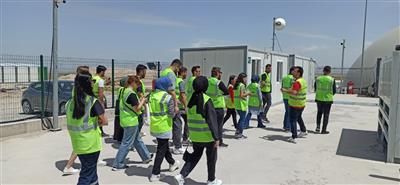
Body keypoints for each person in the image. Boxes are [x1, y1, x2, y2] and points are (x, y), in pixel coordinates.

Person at [174, 76, 222, 185]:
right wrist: (216, 137)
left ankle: (181, 175)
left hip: (195, 136)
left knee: (194, 157)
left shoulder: (190, 99)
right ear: (206, 86)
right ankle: (211, 180)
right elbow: (212, 121)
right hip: (208, 136)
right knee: (211, 159)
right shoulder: (207, 100)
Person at [66, 71, 108, 185]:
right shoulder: (92, 101)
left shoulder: (70, 103)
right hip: (91, 145)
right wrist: (96, 123)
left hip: (78, 144)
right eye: (91, 82)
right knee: (86, 174)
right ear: (87, 84)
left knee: (91, 172)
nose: (93, 84)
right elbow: (105, 121)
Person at [112, 75, 153, 171]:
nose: (138, 86)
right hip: (131, 121)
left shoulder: (122, 91)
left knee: (137, 139)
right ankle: (118, 163)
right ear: (133, 83)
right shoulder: (131, 94)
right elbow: (137, 108)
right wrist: (143, 100)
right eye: (137, 84)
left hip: (125, 119)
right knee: (126, 143)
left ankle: (146, 157)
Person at [149, 77, 181, 182]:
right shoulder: (168, 97)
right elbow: (171, 114)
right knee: (161, 150)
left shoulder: (152, 95)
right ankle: (155, 173)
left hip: (155, 125)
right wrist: (176, 109)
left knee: (164, 146)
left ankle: (172, 162)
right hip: (164, 126)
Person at [281, 66, 308, 143]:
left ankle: (294, 136)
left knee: (292, 120)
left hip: (295, 104)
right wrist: (288, 90)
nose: (293, 72)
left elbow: (294, 92)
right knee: (299, 117)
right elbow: (295, 90)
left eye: (295, 71)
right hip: (301, 104)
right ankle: (303, 130)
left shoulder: (297, 82)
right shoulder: (303, 81)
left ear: (299, 73)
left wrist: (285, 90)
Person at [206, 67, 229, 147]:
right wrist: (220, 94)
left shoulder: (207, 81)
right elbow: (227, 92)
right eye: (220, 73)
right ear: (218, 73)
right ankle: (219, 141)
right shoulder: (218, 82)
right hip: (218, 107)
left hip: (209, 106)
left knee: (210, 124)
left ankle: (210, 140)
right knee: (219, 125)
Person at [314, 66, 336, 134]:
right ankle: (324, 130)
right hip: (327, 99)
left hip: (319, 99)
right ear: (329, 71)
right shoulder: (331, 79)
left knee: (319, 113)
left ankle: (317, 128)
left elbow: (315, 87)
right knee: (326, 115)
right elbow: (334, 90)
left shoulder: (318, 78)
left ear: (323, 71)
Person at [172, 67, 188, 154]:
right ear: (183, 73)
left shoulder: (174, 80)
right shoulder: (181, 82)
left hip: (174, 105)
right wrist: (186, 107)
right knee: (179, 125)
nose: (186, 74)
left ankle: (176, 142)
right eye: (186, 72)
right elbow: (182, 95)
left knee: (175, 125)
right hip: (179, 106)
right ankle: (180, 143)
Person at [183, 66, 201, 143]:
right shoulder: (195, 80)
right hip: (194, 103)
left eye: (199, 71)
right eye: (197, 71)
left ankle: (187, 137)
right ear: (194, 72)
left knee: (189, 121)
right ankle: (186, 138)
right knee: (190, 121)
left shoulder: (190, 80)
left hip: (190, 102)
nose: (199, 73)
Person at [234, 73, 251, 139]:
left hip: (237, 104)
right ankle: (239, 134)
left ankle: (237, 132)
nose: (246, 79)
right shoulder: (242, 86)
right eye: (246, 78)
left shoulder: (237, 85)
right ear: (243, 78)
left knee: (241, 119)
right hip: (241, 104)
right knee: (242, 120)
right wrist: (248, 93)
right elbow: (241, 95)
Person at [93, 65, 108, 137]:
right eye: (104, 72)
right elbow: (100, 93)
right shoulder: (100, 80)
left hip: (91, 99)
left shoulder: (92, 78)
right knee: (100, 116)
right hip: (97, 100)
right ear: (102, 72)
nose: (104, 73)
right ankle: (101, 132)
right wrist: (102, 103)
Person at [281, 67, 295, 132]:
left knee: (287, 111)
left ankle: (285, 125)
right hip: (290, 97)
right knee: (290, 113)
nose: (296, 73)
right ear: (292, 71)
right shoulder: (292, 78)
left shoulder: (284, 78)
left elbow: (282, 87)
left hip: (284, 97)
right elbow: (293, 88)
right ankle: (288, 127)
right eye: (295, 71)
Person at [136, 64, 148, 136]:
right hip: (139, 106)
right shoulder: (138, 82)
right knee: (139, 123)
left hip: (137, 106)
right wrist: (145, 104)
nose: (145, 73)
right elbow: (140, 94)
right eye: (145, 72)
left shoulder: (135, 80)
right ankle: (136, 137)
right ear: (141, 71)